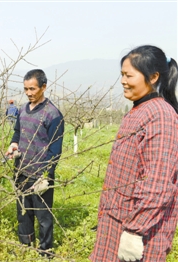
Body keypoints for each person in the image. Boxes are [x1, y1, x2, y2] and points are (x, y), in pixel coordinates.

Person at [90, 45, 178, 261]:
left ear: (154, 76)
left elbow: (158, 183)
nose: (123, 81)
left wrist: (134, 231)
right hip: (118, 225)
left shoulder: (160, 115)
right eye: (122, 75)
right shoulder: (140, 110)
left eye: (129, 75)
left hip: (140, 235)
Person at [5, 69, 64, 257]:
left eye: (33, 89)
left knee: (43, 215)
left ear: (44, 87)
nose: (29, 93)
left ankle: (45, 251)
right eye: (25, 89)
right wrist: (14, 145)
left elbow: (55, 150)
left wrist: (46, 175)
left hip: (40, 174)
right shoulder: (22, 109)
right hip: (21, 170)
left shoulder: (53, 115)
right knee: (24, 211)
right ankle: (26, 245)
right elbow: (17, 132)